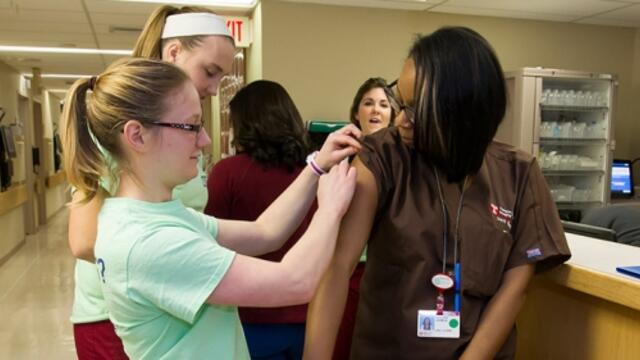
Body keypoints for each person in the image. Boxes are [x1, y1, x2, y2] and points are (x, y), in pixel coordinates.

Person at [61, 58, 360, 359]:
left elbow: (265, 231)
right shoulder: (149, 243)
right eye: (190, 126)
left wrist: (317, 166)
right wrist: (330, 209)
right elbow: (296, 282)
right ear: (137, 135)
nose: (204, 140)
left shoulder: (151, 215)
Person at [304, 26, 571, 359]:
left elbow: (515, 289)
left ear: (464, 117)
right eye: (400, 102)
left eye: (416, 111)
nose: (400, 120)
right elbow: (336, 268)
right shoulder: (381, 158)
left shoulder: (518, 174)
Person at [67, 6, 237, 358]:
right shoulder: (124, 122)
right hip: (116, 315)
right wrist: (174, 265)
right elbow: (84, 241)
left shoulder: (178, 129)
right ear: (173, 51)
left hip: (173, 304)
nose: (214, 88)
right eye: (210, 71)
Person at [204, 80, 316, 359]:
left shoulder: (228, 173)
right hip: (309, 312)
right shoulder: (314, 174)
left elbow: (211, 241)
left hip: (251, 316)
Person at [333, 77, 398, 360]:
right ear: (356, 111)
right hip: (348, 273)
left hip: (388, 274)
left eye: (384, 105)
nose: (376, 110)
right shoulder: (340, 157)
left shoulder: (404, 162)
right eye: (368, 103)